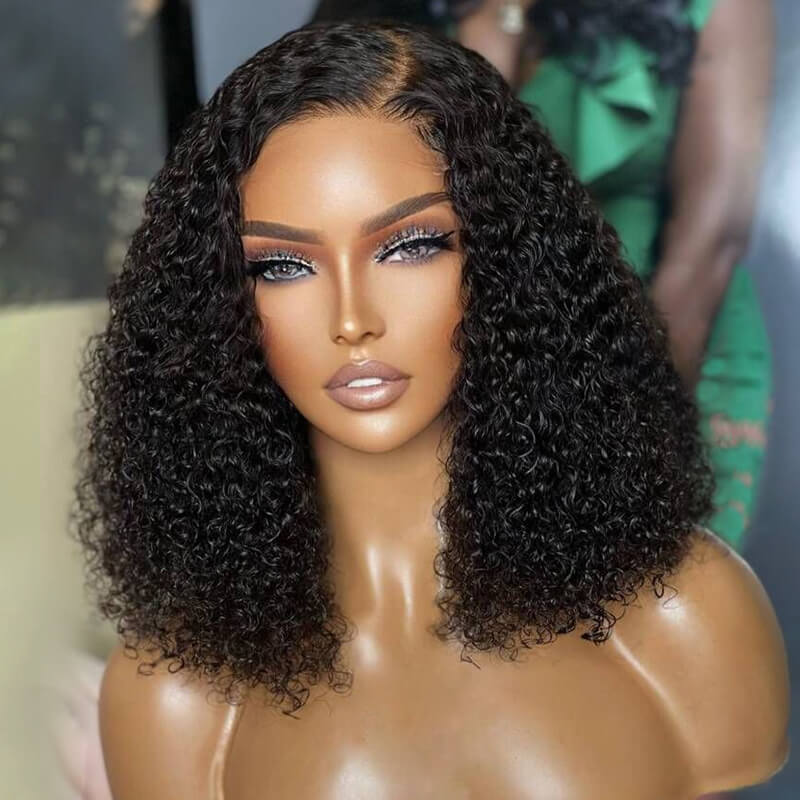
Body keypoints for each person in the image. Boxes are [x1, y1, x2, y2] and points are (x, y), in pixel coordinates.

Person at [72, 21, 788, 798]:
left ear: (505, 260)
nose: (352, 319)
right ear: (218, 304)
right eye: (281, 266)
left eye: (409, 247)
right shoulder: (178, 699)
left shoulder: (683, 615)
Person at [311, 0, 774, 552]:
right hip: (458, 354)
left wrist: (624, 424)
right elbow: (433, 172)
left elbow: (714, 230)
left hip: (666, 338)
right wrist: (502, 17)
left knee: (645, 581)